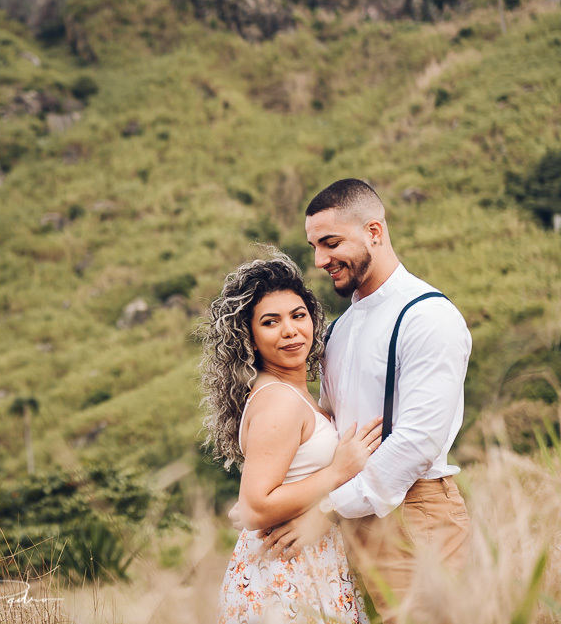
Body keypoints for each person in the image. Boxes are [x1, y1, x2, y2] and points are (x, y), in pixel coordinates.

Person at [262, 178, 472, 622]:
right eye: (314, 246)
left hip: (413, 514)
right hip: (348, 520)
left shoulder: (428, 317)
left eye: (331, 243)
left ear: (374, 232)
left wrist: (326, 510)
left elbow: (417, 442)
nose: (319, 260)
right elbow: (329, 425)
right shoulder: (338, 330)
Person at [199, 251, 382, 623]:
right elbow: (255, 508)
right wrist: (337, 471)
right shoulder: (279, 401)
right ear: (249, 338)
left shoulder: (292, 393)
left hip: (304, 564)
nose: (290, 330)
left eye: (298, 315)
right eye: (271, 322)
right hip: (285, 578)